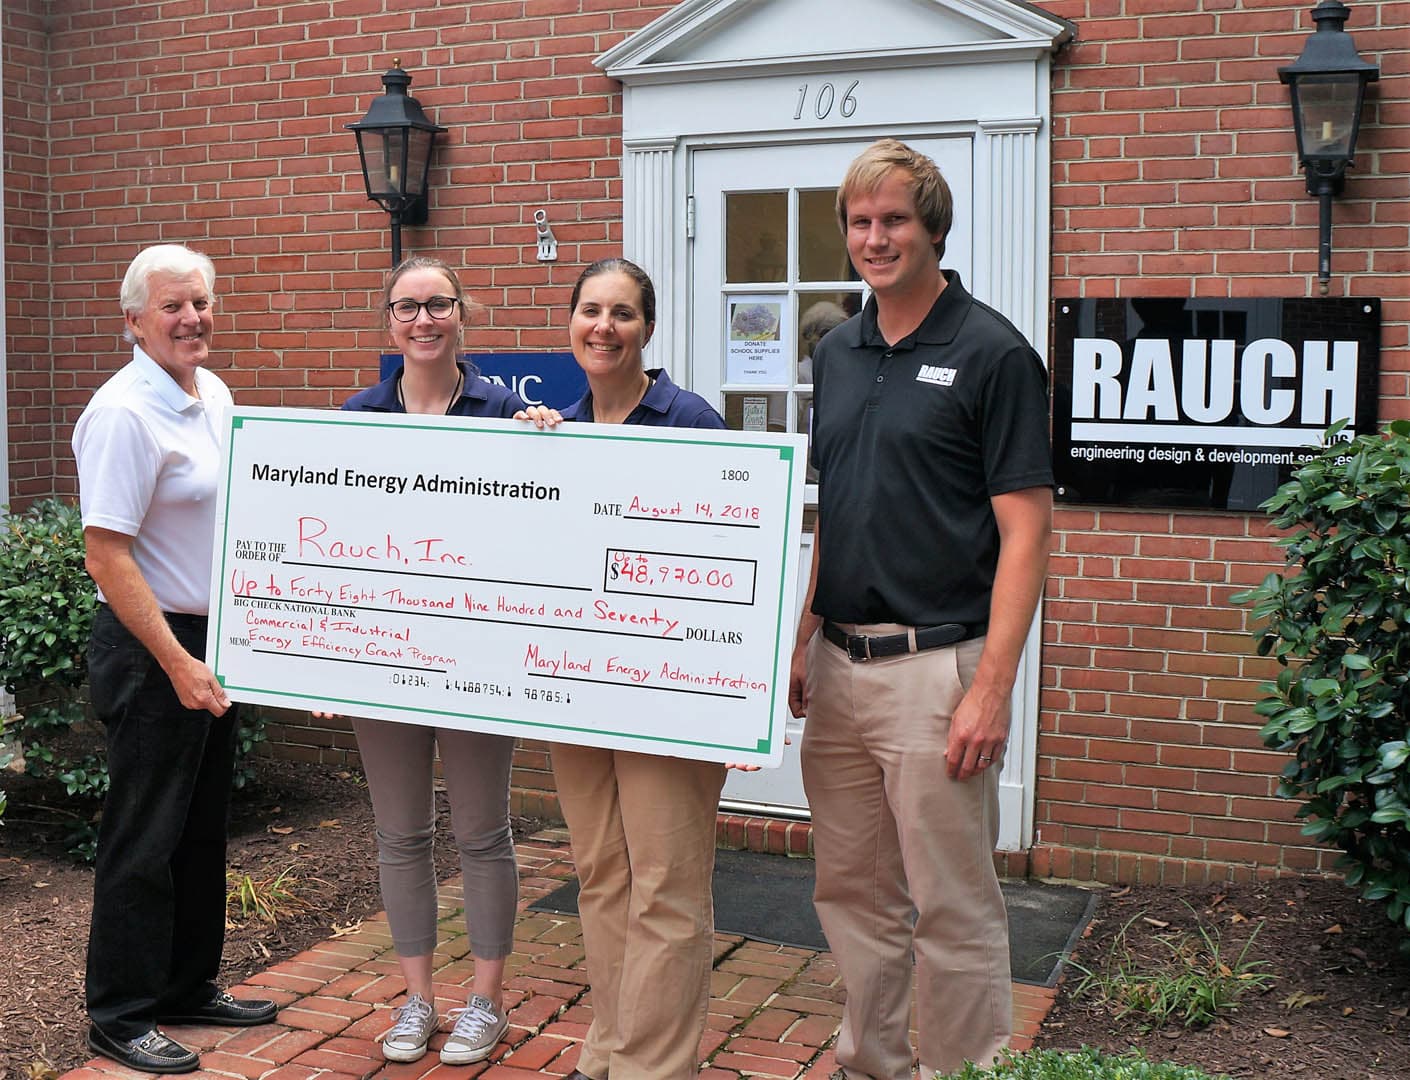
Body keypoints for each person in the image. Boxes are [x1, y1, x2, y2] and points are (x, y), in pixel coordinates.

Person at [787, 139, 1054, 1080]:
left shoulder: (994, 353)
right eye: (860, 222)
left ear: (932, 227)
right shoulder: (842, 353)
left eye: (894, 219)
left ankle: (963, 1071)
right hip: (843, 671)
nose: (875, 238)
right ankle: (873, 1063)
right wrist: (804, 629)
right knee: (852, 894)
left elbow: (1027, 534)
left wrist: (991, 687)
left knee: (951, 904)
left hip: (938, 672)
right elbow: (840, 506)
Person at [332, 256, 553, 1066]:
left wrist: (550, 449)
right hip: (385, 659)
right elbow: (330, 551)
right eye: (407, 307)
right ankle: (418, 999)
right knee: (399, 835)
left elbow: (546, 525)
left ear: (463, 314)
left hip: (476, 658)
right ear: (387, 322)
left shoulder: (509, 413)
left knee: (482, 833)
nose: (423, 321)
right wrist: (324, 661)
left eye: (438, 305)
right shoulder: (352, 420)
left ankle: (484, 1002)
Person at [74, 244, 278, 1074]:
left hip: (210, 640)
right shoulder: (124, 412)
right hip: (151, 646)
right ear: (134, 320)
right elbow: (106, 554)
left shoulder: (212, 391)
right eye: (172, 306)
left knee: (199, 829)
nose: (192, 317)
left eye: (200, 301)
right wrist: (176, 662)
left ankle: (189, 985)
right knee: (145, 834)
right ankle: (119, 1013)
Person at [539, 258, 729, 1080]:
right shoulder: (562, 426)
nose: (604, 327)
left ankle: (655, 1067)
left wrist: (736, 699)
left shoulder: (692, 422)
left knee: (665, 883)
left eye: (622, 313)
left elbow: (729, 566)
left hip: (667, 697)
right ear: (572, 324)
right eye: (590, 311)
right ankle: (610, 1049)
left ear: (648, 327)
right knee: (602, 877)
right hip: (579, 690)